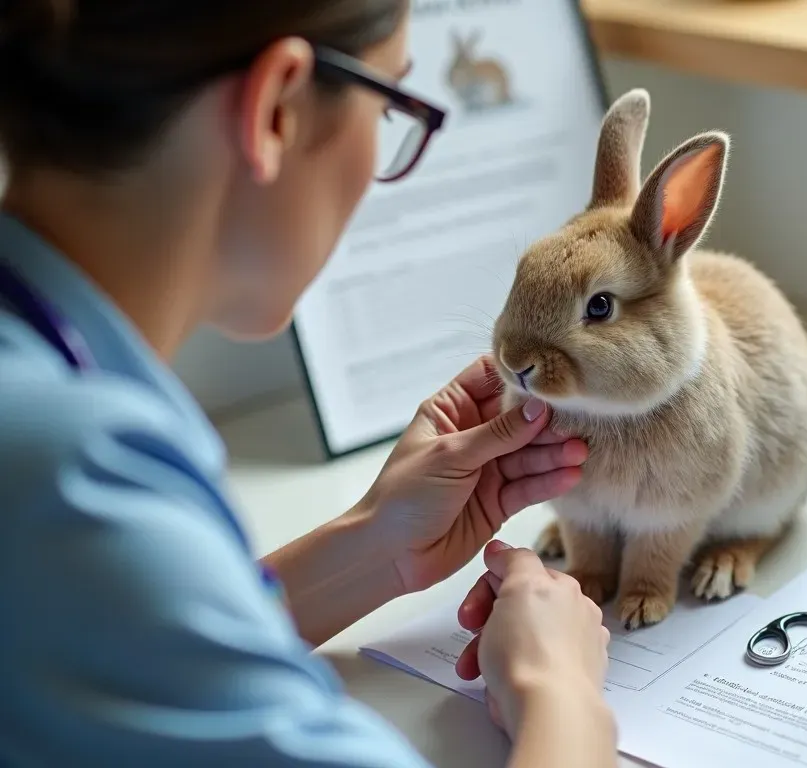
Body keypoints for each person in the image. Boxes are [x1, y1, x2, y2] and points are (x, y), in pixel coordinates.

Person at [0, 1, 617, 766]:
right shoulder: (70, 482)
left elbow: (109, 635)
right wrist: (556, 687)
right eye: (391, 107)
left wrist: (376, 546)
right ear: (278, 110)